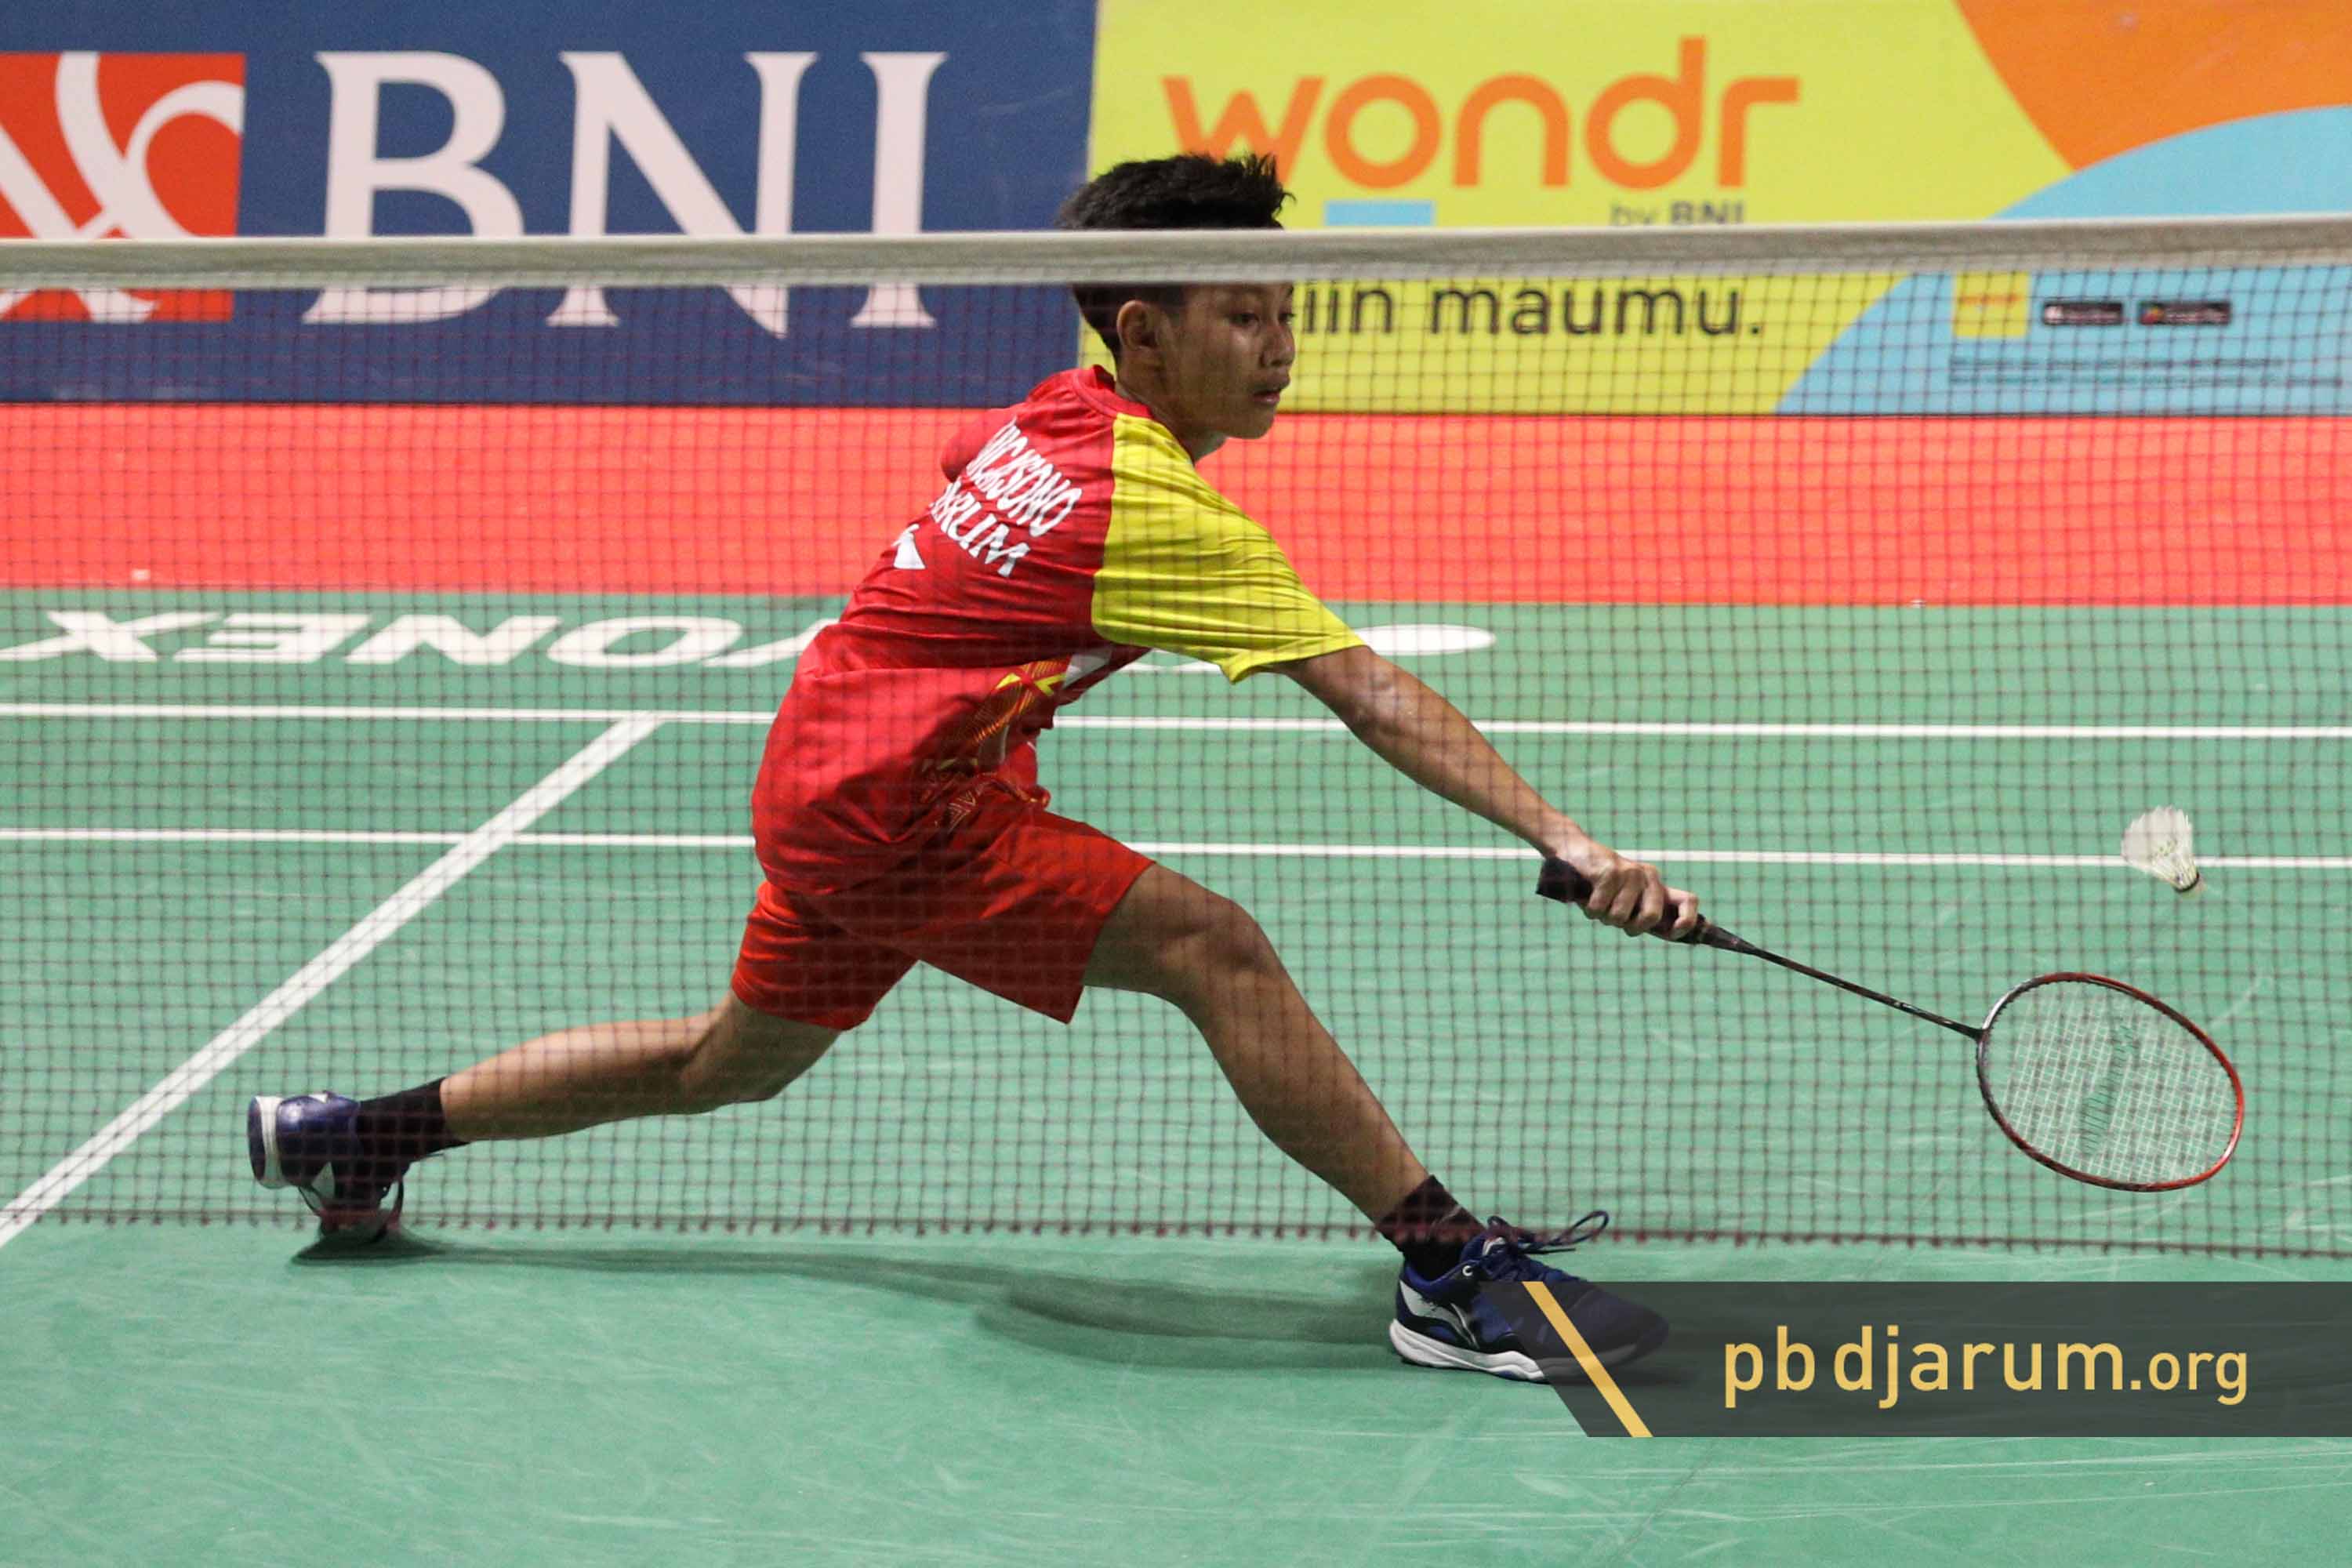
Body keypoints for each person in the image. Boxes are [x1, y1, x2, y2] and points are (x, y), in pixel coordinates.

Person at [247, 153, 1699, 1384]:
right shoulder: (1147, 503)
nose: (1280, 348)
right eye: (1245, 317)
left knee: (722, 1066)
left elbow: (961, 467)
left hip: (835, 769)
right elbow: (1368, 691)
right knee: (1215, 948)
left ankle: (357, 1137)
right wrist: (1572, 843)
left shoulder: (1052, 410)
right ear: (1144, 330)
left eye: (1287, 313)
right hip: (900, 812)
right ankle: (1446, 1274)